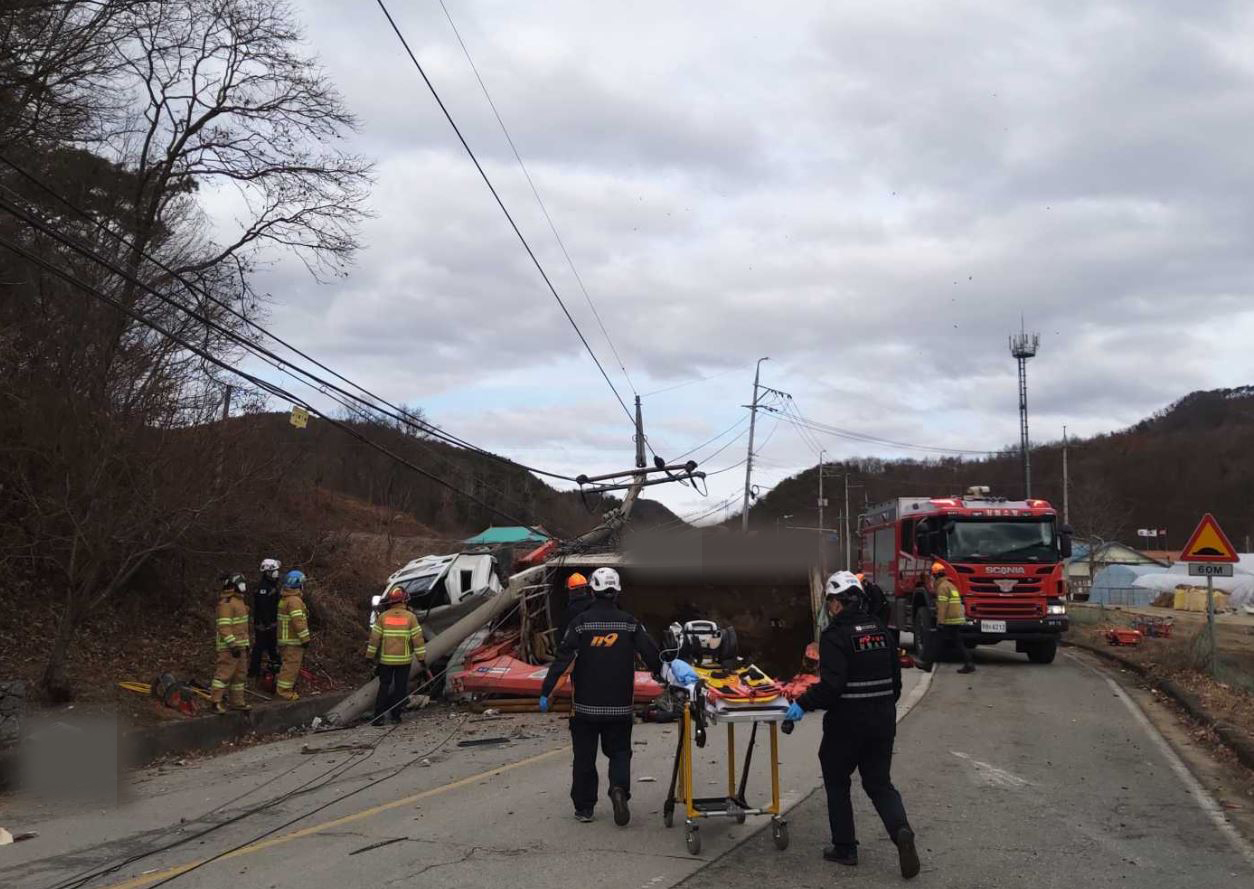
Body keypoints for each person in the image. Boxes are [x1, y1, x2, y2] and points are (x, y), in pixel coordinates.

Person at [788, 570, 920, 879]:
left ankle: (845, 848)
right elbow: (896, 682)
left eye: (830, 602)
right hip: (882, 721)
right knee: (879, 783)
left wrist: (802, 704)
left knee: (837, 780)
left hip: (846, 724)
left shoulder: (835, 636)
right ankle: (901, 830)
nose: (829, 608)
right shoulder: (881, 630)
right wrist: (881, 707)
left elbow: (831, 687)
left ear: (837, 602)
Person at [539, 566, 661, 826]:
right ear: (616, 592)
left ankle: (585, 808)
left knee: (584, 757)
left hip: (585, 708)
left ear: (592, 591)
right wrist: (665, 675)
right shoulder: (629, 623)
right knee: (620, 752)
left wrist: (547, 692)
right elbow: (652, 655)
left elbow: (562, 660)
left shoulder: (580, 624)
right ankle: (618, 789)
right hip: (620, 706)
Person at [366, 586, 426, 725]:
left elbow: (374, 639)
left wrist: (369, 656)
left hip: (386, 660)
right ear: (404, 600)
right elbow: (418, 640)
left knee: (384, 687)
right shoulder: (410, 617)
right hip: (404, 661)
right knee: (400, 688)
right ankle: (396, 716)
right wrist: (421, 658)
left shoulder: (383, 617)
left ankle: (378, 717)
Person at [210, 574, 251, 714]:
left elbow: (242, 628)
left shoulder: (239, 602)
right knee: (224, 675)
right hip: (229, 648)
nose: (243, 586)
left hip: (240, 647)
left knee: (240, 676)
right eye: (241, 583)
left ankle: (237, 702)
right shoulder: (226, 604)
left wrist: (245, 644)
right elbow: (224, 627)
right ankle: (215, 702)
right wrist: (232, 644)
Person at [925, 561, 974, 674]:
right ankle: (969, 664)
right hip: (956, 619)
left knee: (936, 642)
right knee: (958, 643)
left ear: (936, 575)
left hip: (948, 620)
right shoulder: (951, 585)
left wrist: (940, 622)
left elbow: (942, 606)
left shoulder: (942, 587)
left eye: (932, 575)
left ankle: (927, 664)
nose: (932, 578)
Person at [276, 570, 311, 700]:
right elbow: (298, 622)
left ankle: (283, 690)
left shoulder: (285, 599)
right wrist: (305, 639)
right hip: (293, 641)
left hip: (286, 639)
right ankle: (284, 692)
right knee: (290, 668)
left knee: (287, 666)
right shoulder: (294, 601)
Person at [249, 558, 282, 681]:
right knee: (259, 647)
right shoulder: (263, 588)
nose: (276, 574)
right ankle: (254, 671)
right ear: (268, 572)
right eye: (274, 571)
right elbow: (262, 607)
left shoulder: (272, 586)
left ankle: (276, 666)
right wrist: (267, 624)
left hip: (271, 623)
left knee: (272, 646)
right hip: (263, 625)